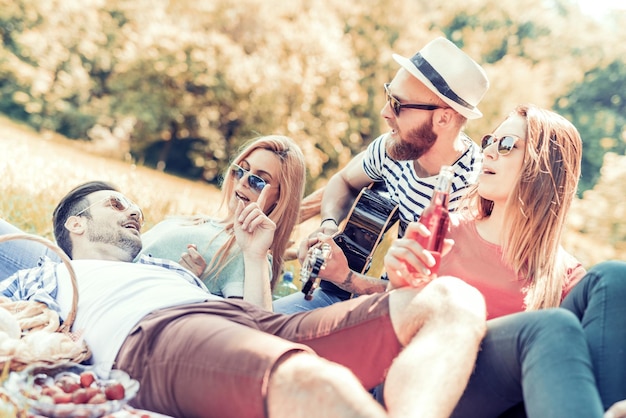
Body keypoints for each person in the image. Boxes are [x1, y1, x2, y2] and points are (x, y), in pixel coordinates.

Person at [0, 180, 488, 418]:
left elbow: (261, 316)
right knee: (312, 381)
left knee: (452, 299)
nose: (134, 210)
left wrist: (257, 256)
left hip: (236, 321)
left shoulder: (163, 267)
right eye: (115, 203)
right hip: (154, 333)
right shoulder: (43, 277)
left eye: (132, 204)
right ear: (75, 224)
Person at [378, 104, 626, 416]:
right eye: (488, 142)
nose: (490, 153)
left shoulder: (565, 275)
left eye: (507, 145)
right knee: (552, 325)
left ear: (545, 167)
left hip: (515, 407)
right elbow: (390, 336)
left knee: (615, 277)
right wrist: (397, 287)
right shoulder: (442, 232)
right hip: (432, 386)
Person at [274, 36, 489, 313]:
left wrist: (346, 278)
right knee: (260, 320)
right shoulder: (393, 149)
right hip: (347, 298)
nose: (384, 112)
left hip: (402, 315)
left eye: (398, 104)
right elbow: (343, 181)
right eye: (389, 96)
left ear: (443, 118)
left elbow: (426, 297)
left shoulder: (469, 195)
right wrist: (328, 226)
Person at [139, 135, 305, 309]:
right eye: (241, 170)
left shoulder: (247, 252)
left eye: (258, 181)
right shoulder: (205, 221)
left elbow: (253, 323)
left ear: (280, 198)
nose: (242, 181)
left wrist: (185, 282)